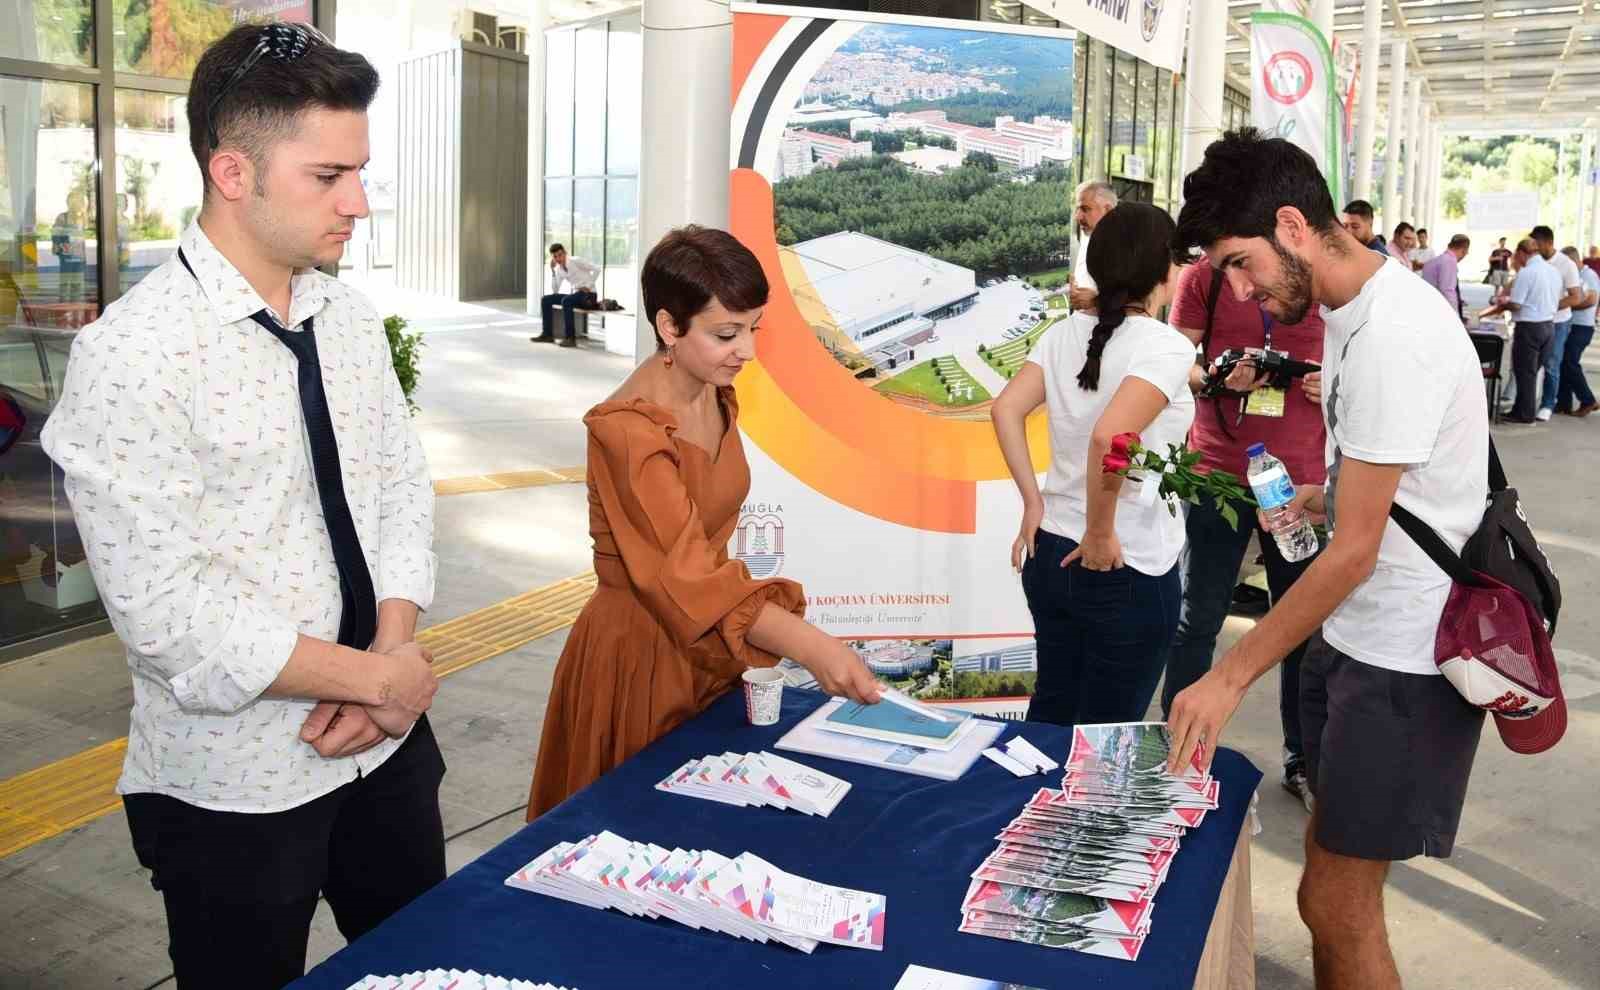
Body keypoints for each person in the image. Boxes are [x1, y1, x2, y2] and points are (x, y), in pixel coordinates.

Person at [41, 25, 444, 989]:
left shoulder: (344, 318)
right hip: (238, 786)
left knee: (431, 966)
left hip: (385, 745)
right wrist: (371, 680)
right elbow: (167, 618)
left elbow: (398, 488)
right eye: (327, 176)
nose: (359, 203)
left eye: (361, 171)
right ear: (233, 171)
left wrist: (391, 656)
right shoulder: (133, 357)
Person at [1170, 129, 1490, 990]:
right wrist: (1324, 495)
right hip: (1361, 638)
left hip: (1406, 656)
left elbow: (1352, 557)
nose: (1238, 288)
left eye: (1242, 264)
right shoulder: (1350, 312)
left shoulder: (1391, 334)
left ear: (1292, 226)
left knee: (1340, 907)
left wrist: (1227, 675)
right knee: (1323, 894)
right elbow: (1383, 494)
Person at [527, 225, 882, 819]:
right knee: (639, 847)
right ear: (670, 327)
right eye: (726, 333)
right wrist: (808, 643)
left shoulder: (714, 390)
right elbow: (683, 571)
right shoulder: (628, 432)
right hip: (640, 657)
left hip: (708, 646)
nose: (746, 349)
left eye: (753, 329)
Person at [991, 203, 1194, 727]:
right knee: (1106, 738)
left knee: (1052, 719)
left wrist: (1034, 502)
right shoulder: (1164, 344)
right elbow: (1111, 436)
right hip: (1123, 562)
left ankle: (1033, 810)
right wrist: (1100, 531)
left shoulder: (1063, 334)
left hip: (1052, 550)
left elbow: (1005, 407)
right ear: (1164, 270)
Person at [1163, 251, 1326, 812]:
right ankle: (1175, 750)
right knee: (1197, 618)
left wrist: (1335, 384)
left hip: (1300, 483)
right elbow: (1175, 359)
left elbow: (1367, 361)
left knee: (1301, 625)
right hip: (1219, 477)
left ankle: (1303, 760)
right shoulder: (1203, 278)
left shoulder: (1317, 276)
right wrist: (1213, 376)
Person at [1481, 238, 1560, 424]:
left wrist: (1499, 307)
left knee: (1524, 371)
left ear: (1523, 253)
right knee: (1530, 372)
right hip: (1548, 326)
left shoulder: (1527, 273)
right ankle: (1522, 409)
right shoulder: (1553, 271)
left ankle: (1525, 414)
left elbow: (1516, 304)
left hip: (1529, 327)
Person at [1531, 225, 1585, 421]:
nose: (1535, 248)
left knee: (1552, 364)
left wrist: (1551, 307)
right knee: (1531, 364)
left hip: (1558, 322)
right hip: (1534, 321)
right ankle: (1526, 403)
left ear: (1549, 243)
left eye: (1538, 244)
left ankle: (1547, 404)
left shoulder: (1566, 264)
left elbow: (1576, 297)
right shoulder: (1533, 262)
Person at [1556, 245, 1600, 416]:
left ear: (1573, 260)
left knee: (1569, 362)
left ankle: (1588, 400)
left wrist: (1566, 305)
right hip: (1570, 325)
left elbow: (1591, 300)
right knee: (1563, 362)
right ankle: (1563, 403)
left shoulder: (1588, 275)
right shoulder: (1574, 275)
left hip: (1582, 327)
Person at [532, 242, 599, 348]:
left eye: (560, 255)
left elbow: (596, 268)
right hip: (578, 296)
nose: (559, 258)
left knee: (567, 300)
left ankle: (570, 338)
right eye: (555, 256)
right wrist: (553, 271)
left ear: (565, 253)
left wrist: (589, 286)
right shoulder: (559, 269)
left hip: (589, 296)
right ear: (553, 258)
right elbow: (555, 289)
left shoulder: (575, 261)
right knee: (546, 299)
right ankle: (548, 335)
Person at [1068, 180, 1117, 314]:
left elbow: (1142, 300)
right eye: (1077, 209)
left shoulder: (1129, 246)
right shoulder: (1088, 236)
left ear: (1108, 210)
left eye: (1085, 209)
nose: (1078, 216)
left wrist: (1096, 300)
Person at [1420, 234, 1470, 320]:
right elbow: (1447, 290)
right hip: (1439, 312)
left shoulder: (1435, 261)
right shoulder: (1449, 261)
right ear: (1464, 250)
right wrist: (1456, 317)